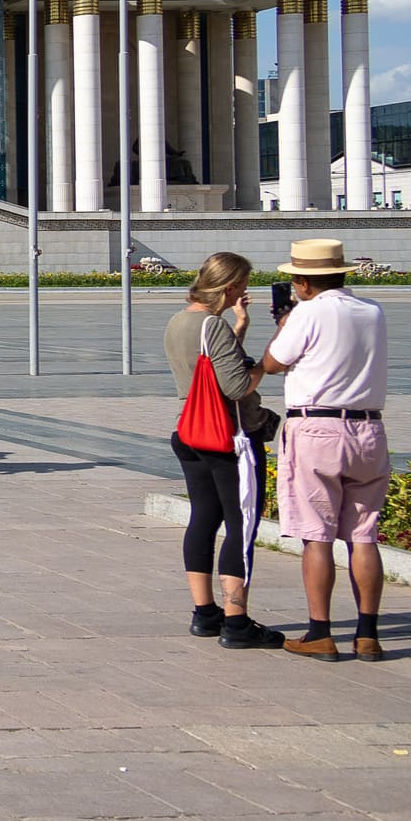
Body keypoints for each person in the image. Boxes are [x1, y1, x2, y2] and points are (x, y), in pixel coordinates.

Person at [257, 238, 390, 661]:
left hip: (316, 428)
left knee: (317, 535)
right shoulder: (372, 311)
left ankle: (320, 631)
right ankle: (368, 633)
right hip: (368, 429)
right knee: (363, 534)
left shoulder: (307, 313)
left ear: (304, 282)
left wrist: (284, 324)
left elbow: (274, 362)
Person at [163, 253, 283, 651]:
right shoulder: (212, 324)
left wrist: (240, 329)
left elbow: (208, 369)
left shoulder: (181, 321)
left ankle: (205, 613)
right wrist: (266, 361)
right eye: (243, 283)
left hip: (190, 432)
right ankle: (237, 621)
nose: (246, 290)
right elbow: (235, 387)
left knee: (203, 518)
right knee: (240, 524)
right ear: (229, 286)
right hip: (227, 438)